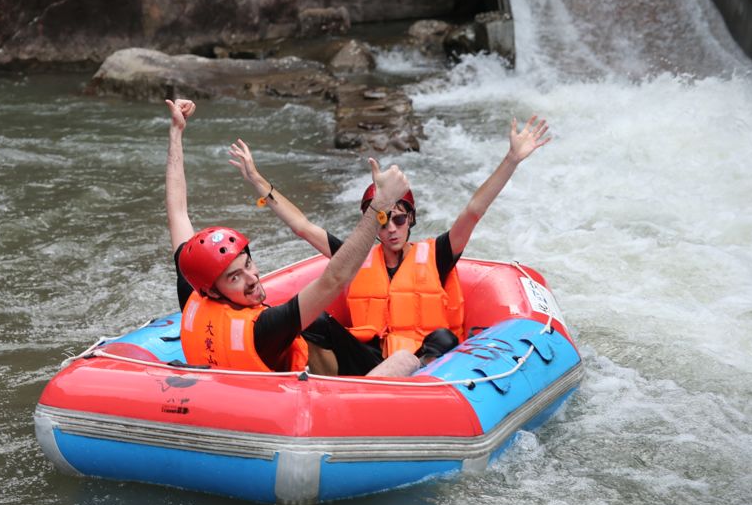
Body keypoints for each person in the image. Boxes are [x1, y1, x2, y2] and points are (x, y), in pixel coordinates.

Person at [228, 116, 552, 362]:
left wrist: (511, 160)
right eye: (382, 222)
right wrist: (258, 181)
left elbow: (473, 211)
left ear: (411, 218)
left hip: (423, 363)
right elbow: (302, 225)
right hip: (370, 362)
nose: (391, 229)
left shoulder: (438, 254)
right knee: (316, 321)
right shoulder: (356, 259)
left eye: (399, 219)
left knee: (443, 339)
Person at [164, 97, 413, 376]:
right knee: (403, 359)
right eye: (234, 277)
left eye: (247, 264)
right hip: (342, 380)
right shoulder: (266, 328)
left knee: (320, 328)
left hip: (241, 385)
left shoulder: (193, 295)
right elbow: (334, 278)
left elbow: (178, 212)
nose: (251, 278)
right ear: (210, 289)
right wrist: (379, 205)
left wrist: (176, 132)